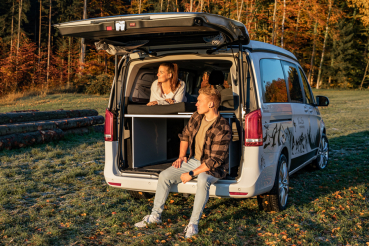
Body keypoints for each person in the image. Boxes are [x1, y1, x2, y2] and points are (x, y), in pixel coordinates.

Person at [135, 86, 232, 238]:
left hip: (214, 167)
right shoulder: (197, 116)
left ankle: (193, 224)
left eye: (199, 101)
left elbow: (215, 160)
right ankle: (155, 216)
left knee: (202, 179)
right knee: (164, 175)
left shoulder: (222, 126)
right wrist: (181, 156)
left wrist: (191, 173)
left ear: (211, 104)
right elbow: (185, 136)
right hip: (194, 161)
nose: (196, 103)